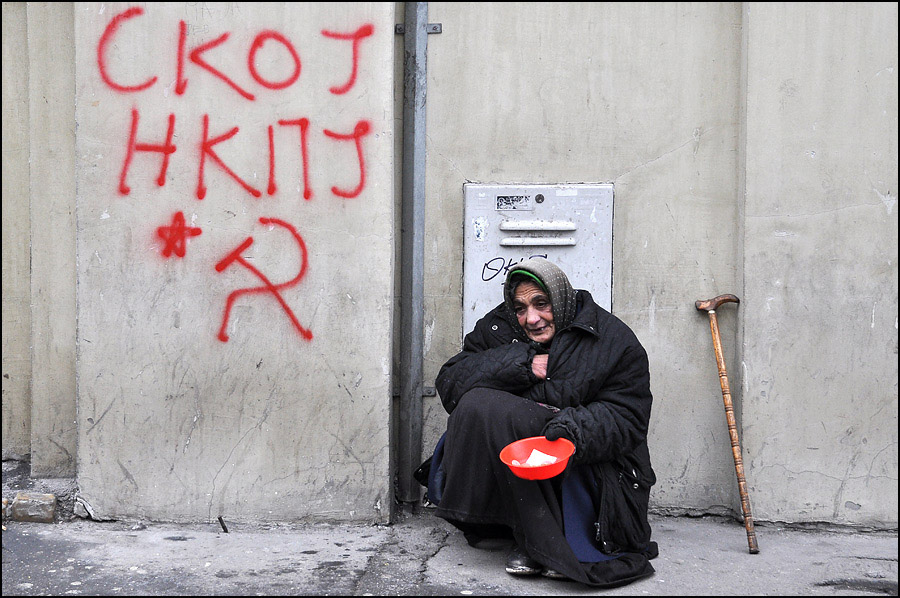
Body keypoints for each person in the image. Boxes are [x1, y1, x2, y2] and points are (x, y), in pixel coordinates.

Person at [430, 257, 658, 588]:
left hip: (591, 469)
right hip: (520, 455)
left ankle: (547, 540)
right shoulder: (500, 327)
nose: (531, 318)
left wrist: (567, 430)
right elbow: (451, 382)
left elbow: (628, 419)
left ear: (561, 298)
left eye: (541, 303)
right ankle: (524, 531)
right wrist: (523, 363)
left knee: (524, 422)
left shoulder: (612, 339)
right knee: (479, 406)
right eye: (520, 307)